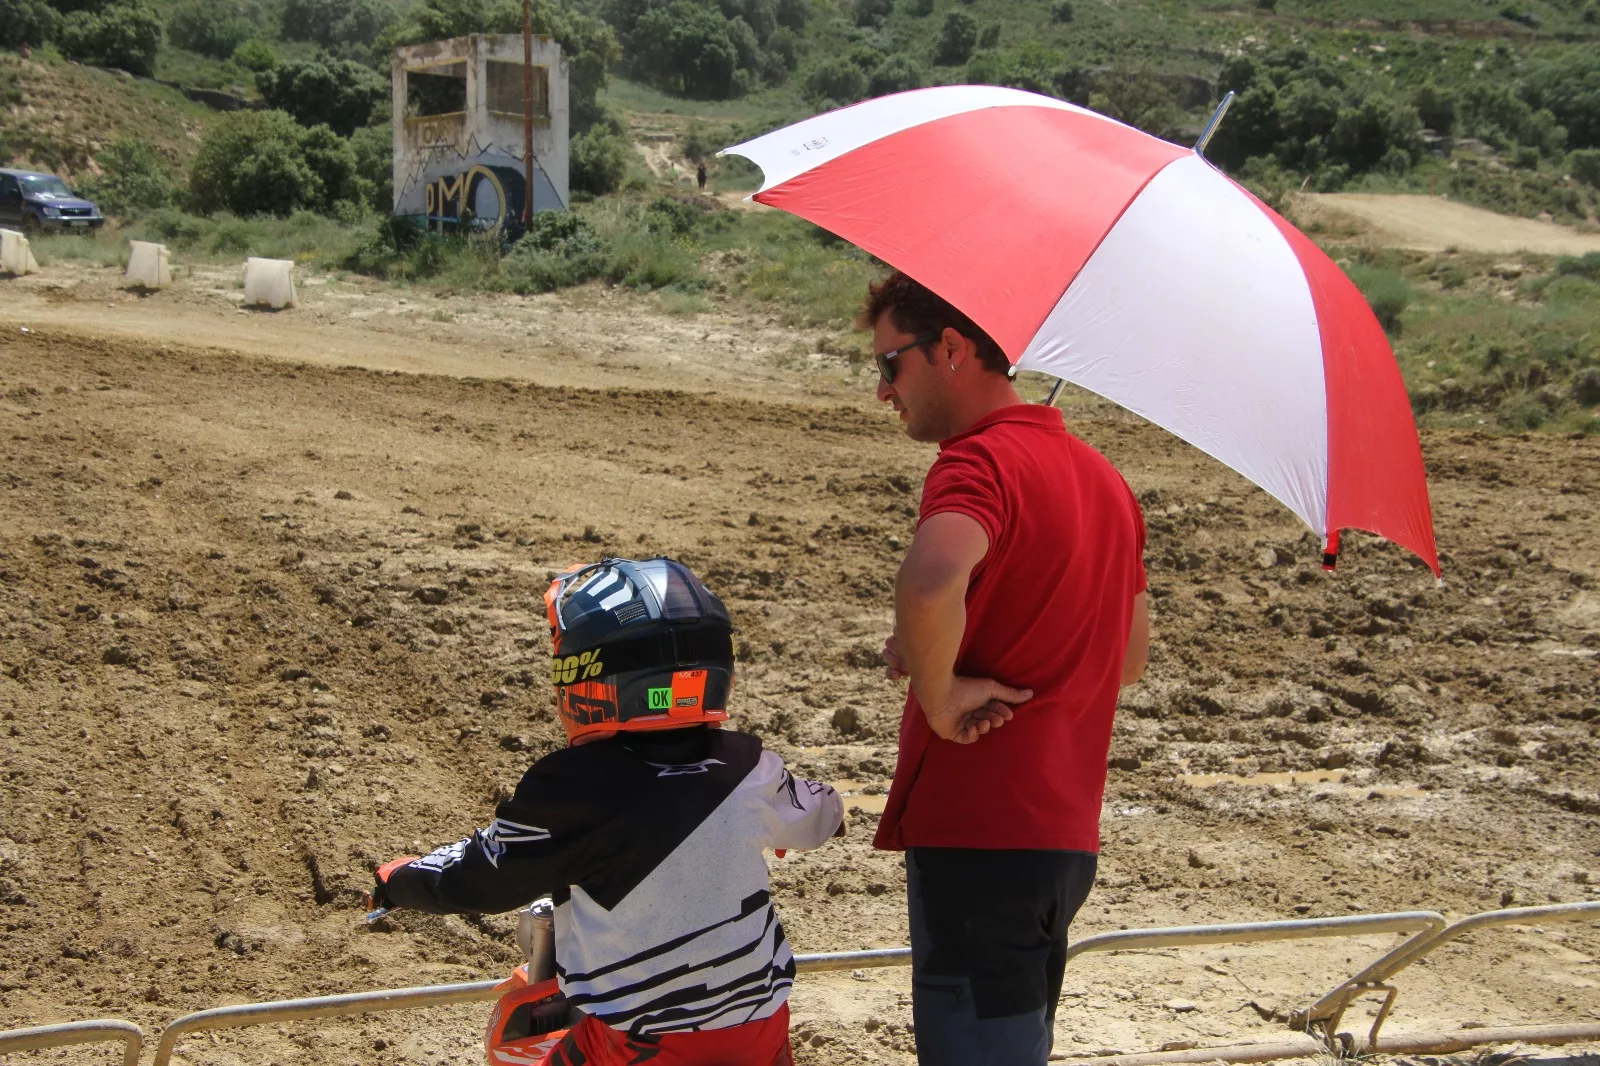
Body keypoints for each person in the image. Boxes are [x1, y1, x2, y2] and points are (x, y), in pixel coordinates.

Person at [370, 557, 845, 1066]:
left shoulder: (571, 786)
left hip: (640, 1041)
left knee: (516, 1046)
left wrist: (396, 879)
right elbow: (825, 814)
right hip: (762, 1025)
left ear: (587, 680)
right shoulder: (750, 764)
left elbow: (482, 877)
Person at [864, 272, 1150, 1066]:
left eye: (890, 365)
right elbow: (1126, 659)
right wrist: (940, 649)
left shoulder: (976, 465)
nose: (883, 392)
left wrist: (940, 691)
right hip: (1061, 843)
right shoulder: (1107, 483)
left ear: (951, 349)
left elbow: (929, 581)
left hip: (978, 830)